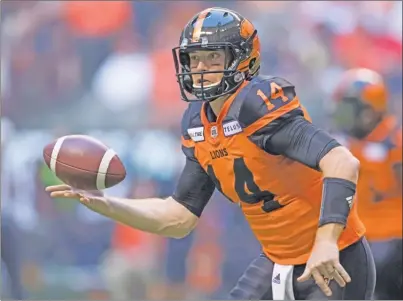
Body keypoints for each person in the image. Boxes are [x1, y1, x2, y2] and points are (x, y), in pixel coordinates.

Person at [46, 7, 376, 300]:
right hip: (278, 259)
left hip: (335, 259)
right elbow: (178, 218)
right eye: (194, 58)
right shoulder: (197, 123)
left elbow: (341, 162)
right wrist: (106, 204)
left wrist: (327, 241)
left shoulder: (256, 104)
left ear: (242, 60)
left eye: (213, 57)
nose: (200, 68)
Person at [331, 68, 402, 300]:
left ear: (372, 110)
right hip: (359, 241)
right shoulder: (342, 144)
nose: (345, 116)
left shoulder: (395, 143)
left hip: (393, 240)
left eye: (350, 108)